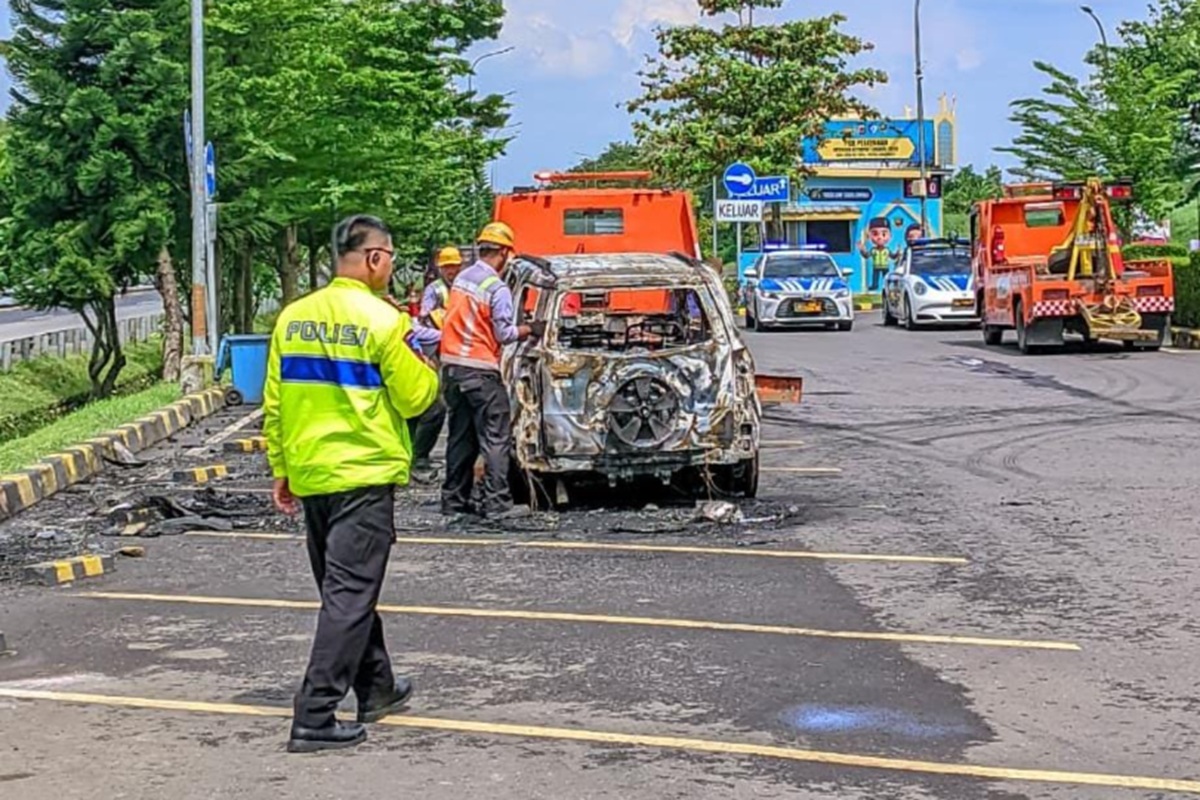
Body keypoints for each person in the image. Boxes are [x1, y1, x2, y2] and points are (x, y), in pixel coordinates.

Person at [263, 214, 439, 754]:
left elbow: (273, 403)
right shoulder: (383, 321)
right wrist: (427, 366)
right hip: (362, 475)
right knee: (348, 596)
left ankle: (377, 687)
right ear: (374, 259)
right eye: (389, 256)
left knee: (345, 590)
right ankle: (315, 713)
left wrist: (282, 468)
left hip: (312, 473)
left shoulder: (292, 319)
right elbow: (418, 399)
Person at [439, 221, 544, 521]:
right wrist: (531, 328)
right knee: (495, 437)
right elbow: (504, 334)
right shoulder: (496, 288)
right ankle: (498, 504)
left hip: (453, 370)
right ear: (506, 253)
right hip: (481, 371)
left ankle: (454, 501)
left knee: (461, 438)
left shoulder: (461, 279)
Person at [406, 247, 464, 484]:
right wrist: (444, 335)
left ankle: (417, 455)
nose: (452, 270)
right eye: (448, 266)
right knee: (434, 405)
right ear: (441, 268)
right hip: (438, 350)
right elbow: (421, 322)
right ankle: (416, 456)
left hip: (458, 349)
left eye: (455, 266)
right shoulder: (435, 290)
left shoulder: (462, 287)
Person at [859, 217, 899, 292]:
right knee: (875, 278)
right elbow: (866, 255)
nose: (880, 237)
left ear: (890, 235)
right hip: (876, 266)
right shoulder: (873, 250)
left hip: (885, 266)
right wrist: (862, 250)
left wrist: (897, 253)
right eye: (875, 234)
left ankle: (888, 286)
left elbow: (893, 256)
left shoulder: (887, 250)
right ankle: (874, 286)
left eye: (883, 234)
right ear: (869, 236)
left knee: (886, 278)